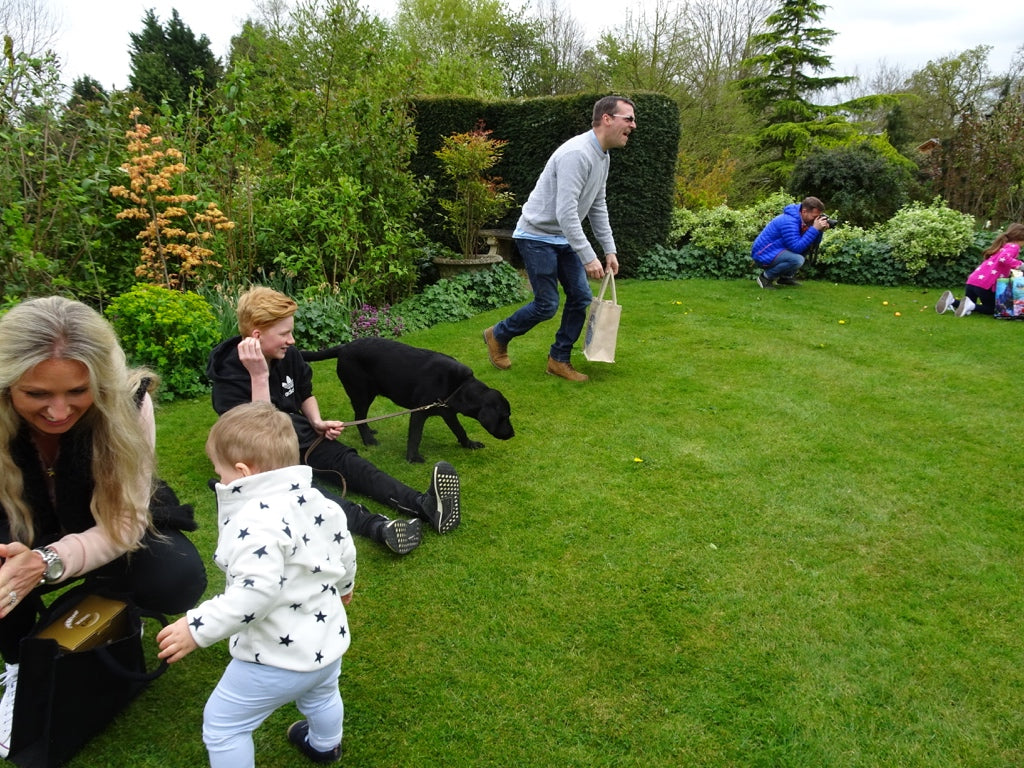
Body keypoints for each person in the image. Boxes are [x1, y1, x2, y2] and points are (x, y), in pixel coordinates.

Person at [0, 296, 207, 758]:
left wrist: (50, 562)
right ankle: (20, 663)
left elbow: (126, 520)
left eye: (77, 391)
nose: (57, 412)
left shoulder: (130, 401)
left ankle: (105, 614)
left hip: (102, 520)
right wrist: (16, 566)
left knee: (176, 576)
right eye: (36, 394)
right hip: (16, 527)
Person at [157, 401, 355, 767]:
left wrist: (196, 627)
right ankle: (326, 746)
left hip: (275, 658)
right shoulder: (322, 503)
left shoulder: (255, 522)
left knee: (225, 726)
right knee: (323, 695)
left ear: (242, 471)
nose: (218, 480)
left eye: (219, 472)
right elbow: (345, 552)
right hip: (327, 642)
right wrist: (345, 587)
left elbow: (255, 594)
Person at [207, 287, 461, 556]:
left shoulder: (287, 355)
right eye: (284, 334)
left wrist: (316, 421)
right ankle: (380, 528)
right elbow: (258, 436)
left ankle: (426, 505)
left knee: (353, 465)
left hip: (299, 435)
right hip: (263, 460)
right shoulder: (229, 376)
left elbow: (304, 392)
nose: (291, 341)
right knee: (307, 494)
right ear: (257, 335)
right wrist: (258, 377)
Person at [482, 95, 631, 382]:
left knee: (580, 297)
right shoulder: (577, 153)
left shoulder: (603, 156)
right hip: (536, 235)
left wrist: (609, 250)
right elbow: (565, 213)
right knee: (547, 304)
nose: (633, 125)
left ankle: (558, 359)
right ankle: (497, 334)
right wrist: (589, 256)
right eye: (629, 119)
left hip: (562, 237)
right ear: (607, 119)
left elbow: (597, 204)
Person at [935, 223, 1024, 317]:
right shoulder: (1014, 247)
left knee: (966, 304)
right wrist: (1020, 265)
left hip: (973, 281)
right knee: (991, 308)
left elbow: (999, 262)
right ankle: (968, 306)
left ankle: (951, 301)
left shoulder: (1002, 246)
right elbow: (1004, 259)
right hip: (985, 285)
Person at [751, 196, 831, 289]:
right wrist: (814, 229)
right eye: (814, 216)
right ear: (804, 211)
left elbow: (813, 244)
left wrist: (819, 230)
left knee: (805, 248)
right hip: (763, 253)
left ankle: (785, 278)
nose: (815, 219)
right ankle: (765, 278)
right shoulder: (789, 221)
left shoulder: (803, 221)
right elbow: (796, 247)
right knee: (797, 260)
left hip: (777, 250)